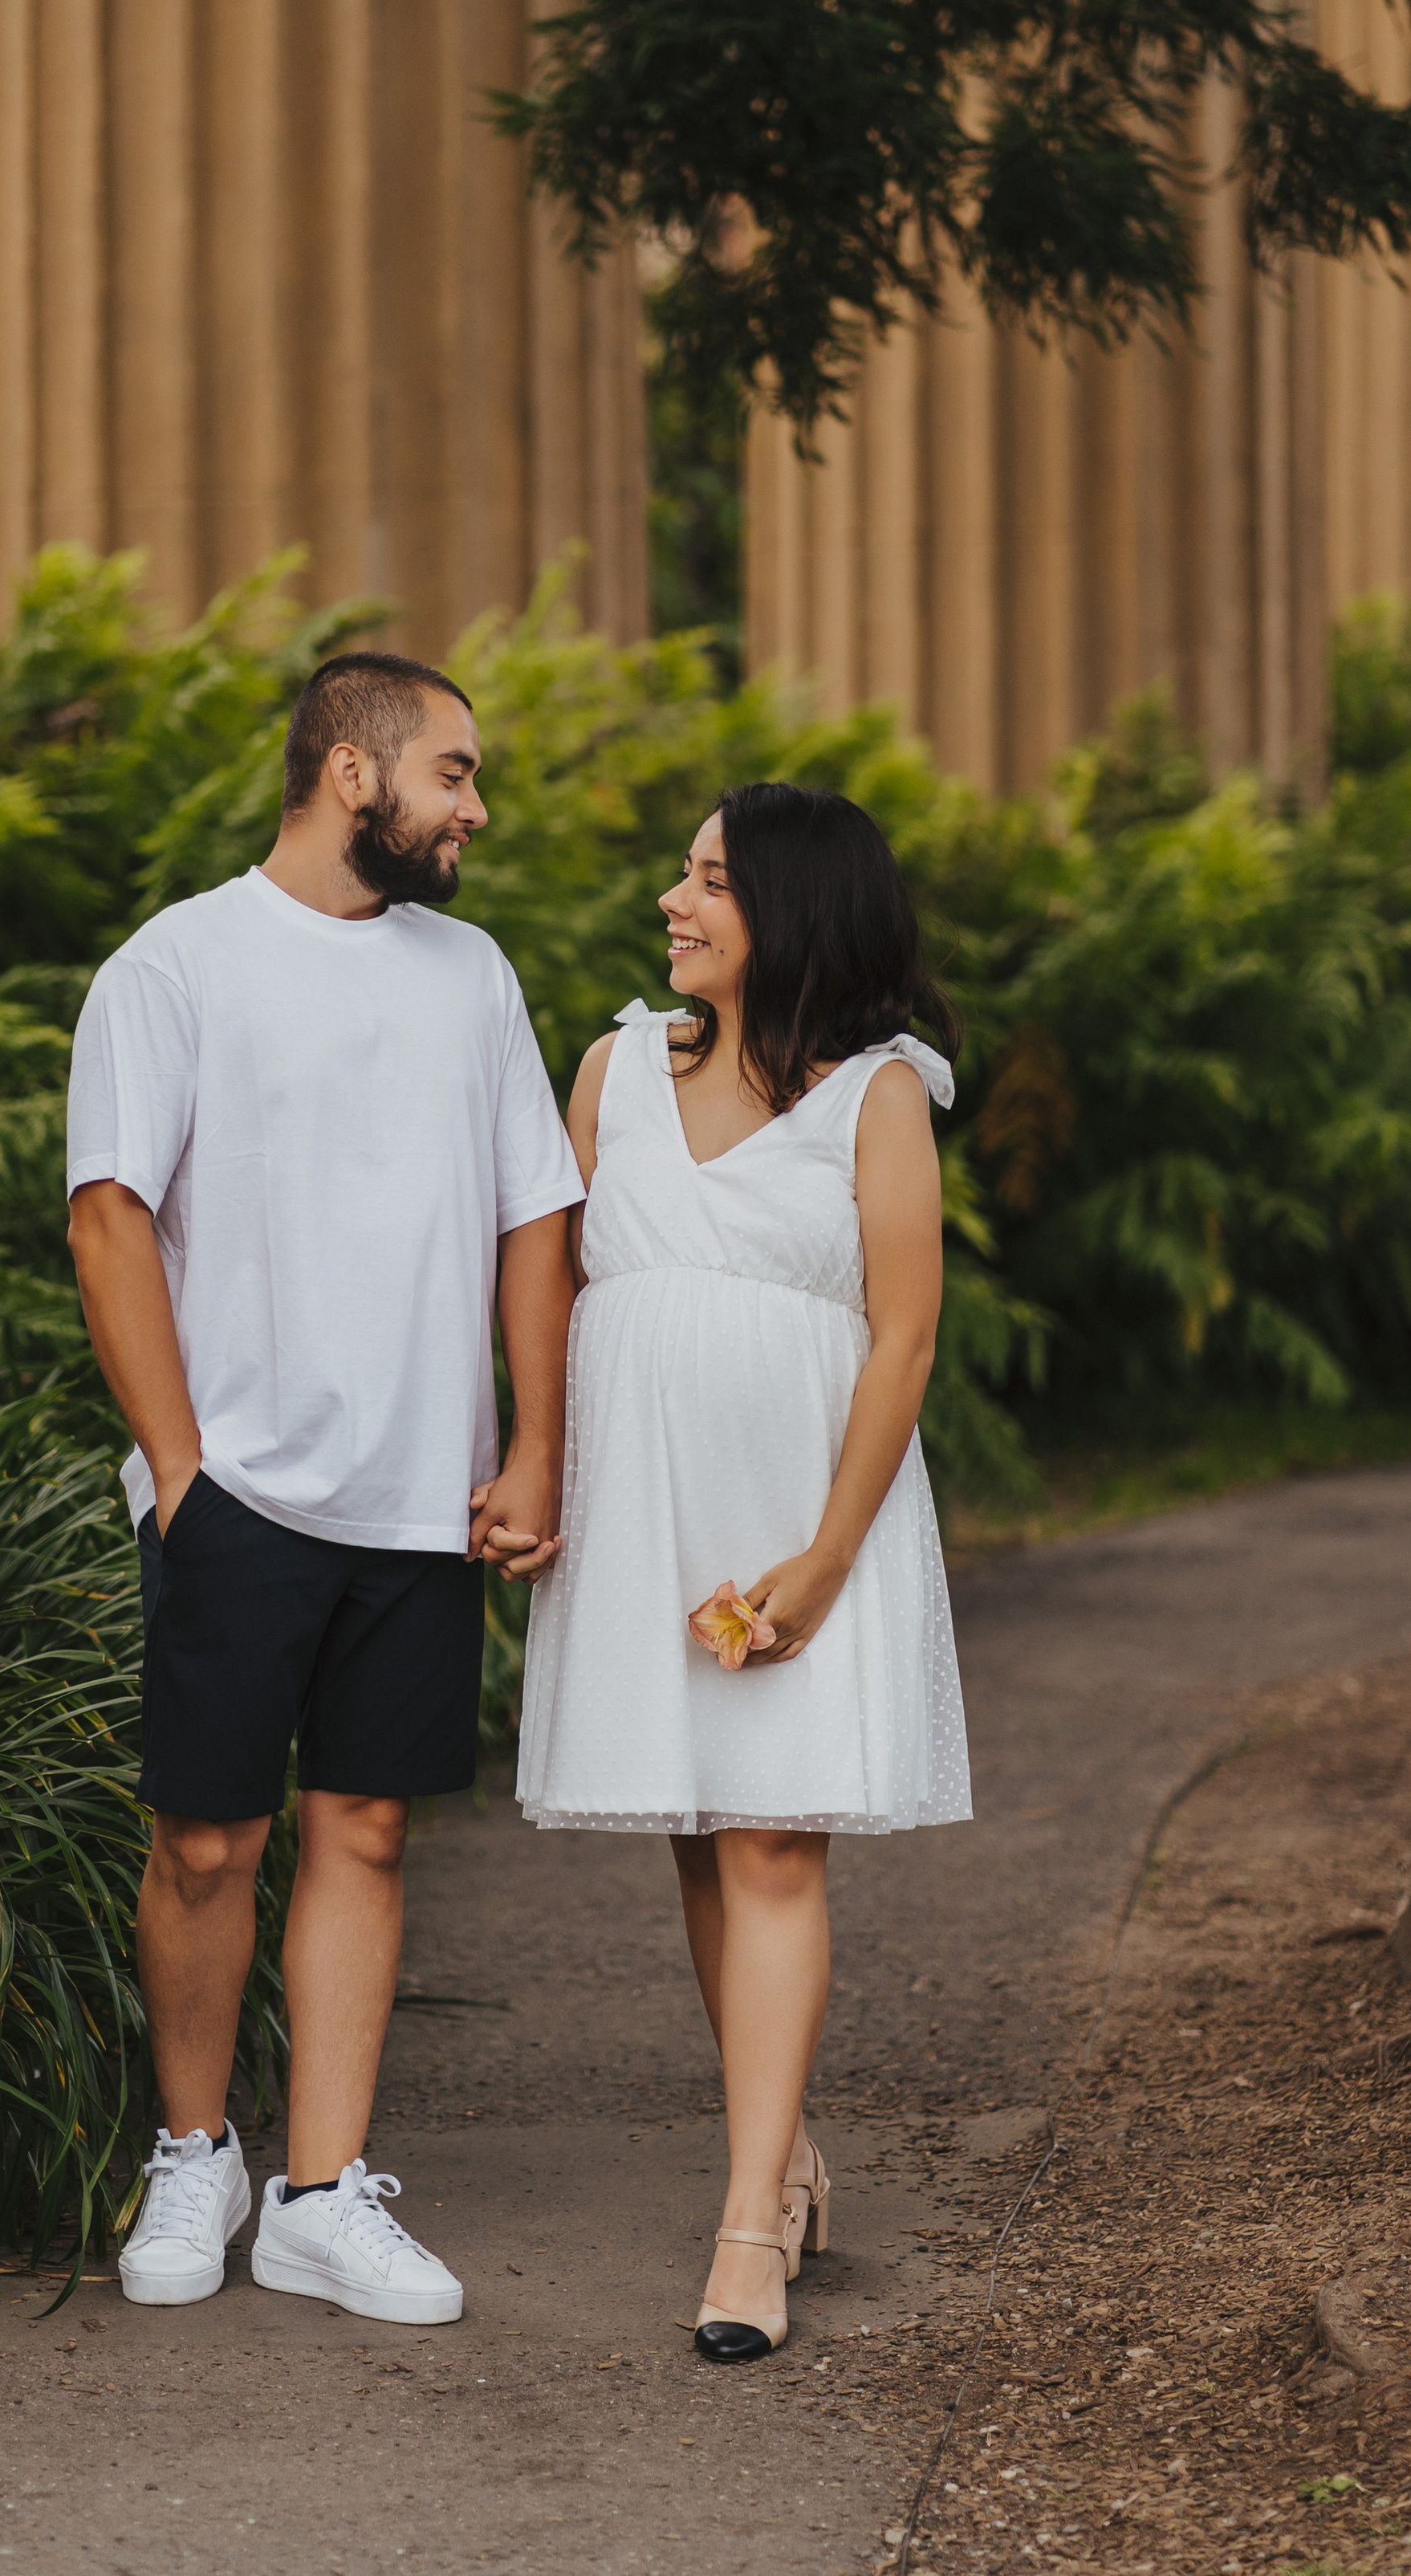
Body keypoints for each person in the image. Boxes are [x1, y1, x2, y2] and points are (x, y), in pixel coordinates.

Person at [67, 649, 581, 2323]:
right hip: (241, 1502)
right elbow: (108, 1215)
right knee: (206, 1844)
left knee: (364, 1829)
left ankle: (316, 2192)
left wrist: (527, 1445)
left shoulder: (472, 974)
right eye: (452, 772)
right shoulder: (176, 967)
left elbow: (533, 1219)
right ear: (350, 774)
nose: (473, 808)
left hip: (419, 1503)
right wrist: (179, 1472)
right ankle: (194, 2152)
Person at [516, 781, 972, 2362]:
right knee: (708, 1844)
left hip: (804, 1512)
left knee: (775, 1848)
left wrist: (824, 1559)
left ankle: (742, 2231)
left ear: (795, 906)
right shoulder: (610, 1070)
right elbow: (549, 1285)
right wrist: (523, 1466)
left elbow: (903, 1333)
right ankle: (777, 2154)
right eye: (680, 870)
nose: (673, 897)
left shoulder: (877, 1100)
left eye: (710, 878)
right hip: (645, 1511)